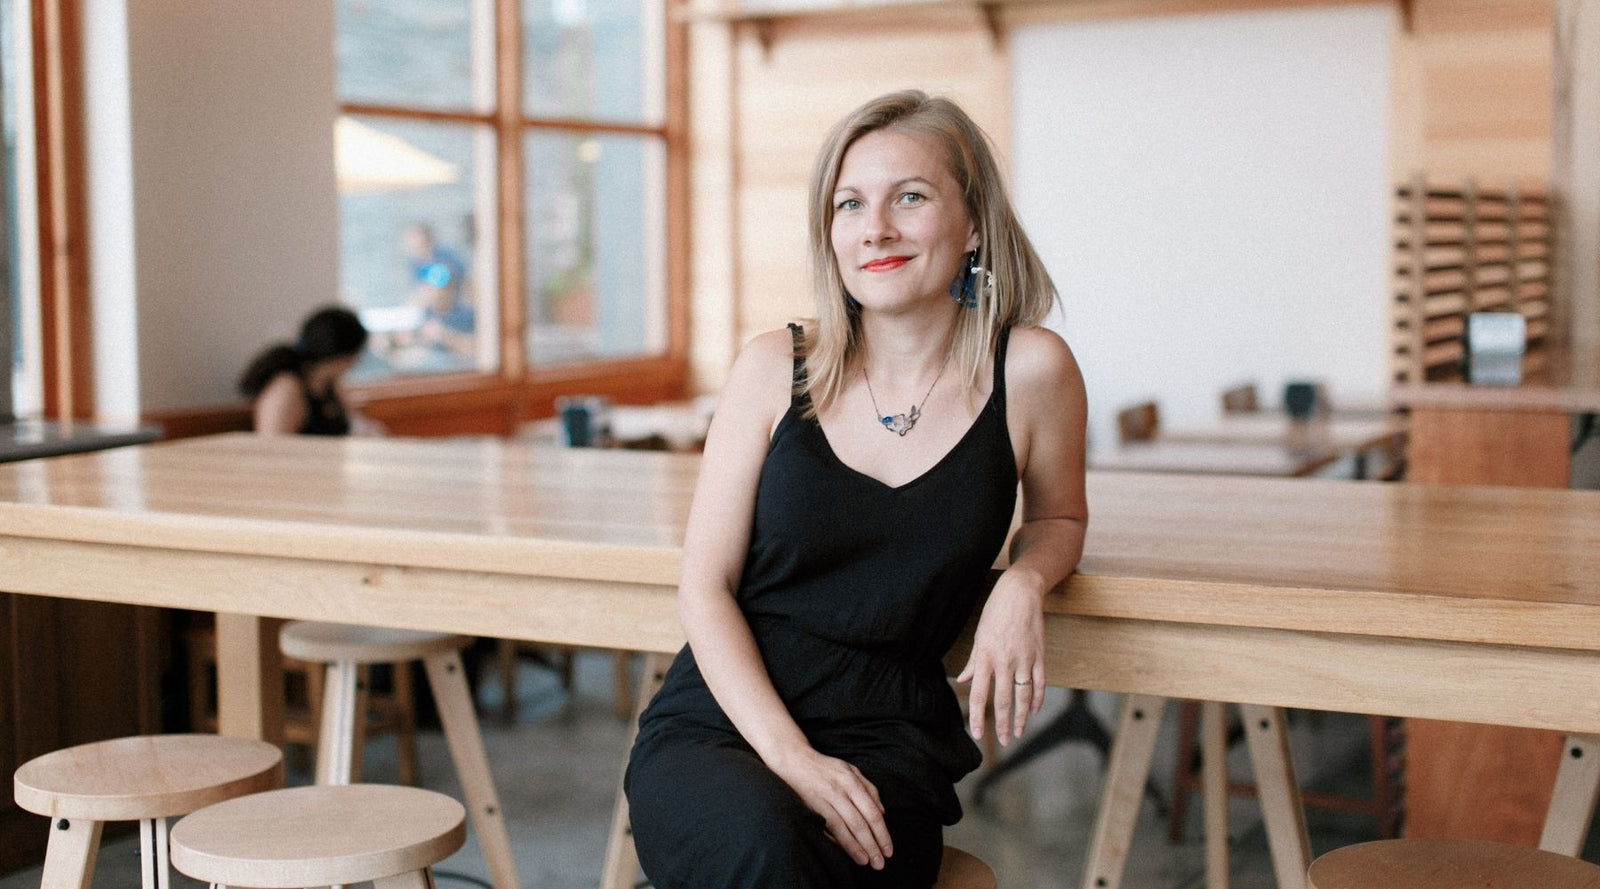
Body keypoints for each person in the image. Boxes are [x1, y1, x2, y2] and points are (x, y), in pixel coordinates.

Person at [623, 90, 1089, 888]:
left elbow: (1061, 515)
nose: (875, 228)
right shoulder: (773, 366)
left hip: (889, 736)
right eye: (850, 204)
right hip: (727, 721)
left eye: (909, 197)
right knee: (759, 842)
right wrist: (793, 758)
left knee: (788, 857)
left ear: (973, 223)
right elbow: (703, 586)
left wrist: (1025, 580)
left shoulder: (1033, 369)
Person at [238, 306, 369, 435]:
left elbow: (355, 424)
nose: (357, 361)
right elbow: (270, 444)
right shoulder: (286, 389)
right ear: (342, 355)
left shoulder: (330, 385)